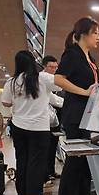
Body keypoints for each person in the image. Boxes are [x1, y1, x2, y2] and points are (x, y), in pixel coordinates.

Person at [54, 17, 99, 195]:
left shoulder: (90, 58)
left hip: (89, 115)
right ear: (84, 34)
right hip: (76, 114)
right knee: (75, 162)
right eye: (96, 33)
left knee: (85, 162)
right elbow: (58, 79)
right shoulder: (72, 54)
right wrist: (83, 92)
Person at [2, 50, 59, 195]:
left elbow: (6, 102)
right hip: (39, 127)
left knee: (22, 159)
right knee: (37, 161)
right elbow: (60, 85)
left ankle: (23, 194)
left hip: (18, 125)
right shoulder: (43, 78)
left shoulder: (11, 82)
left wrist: (20, 99)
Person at [41, 55, 63, 184]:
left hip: (54, 120)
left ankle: (50, 170)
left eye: (56, 67)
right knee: (46, 148)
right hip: (44, 121)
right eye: (51, 67)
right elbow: (54, 100)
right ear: (45, 66)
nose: (54, 69)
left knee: (52, 147)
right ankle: (45, 173)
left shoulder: (53, 79)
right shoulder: (43, 78)